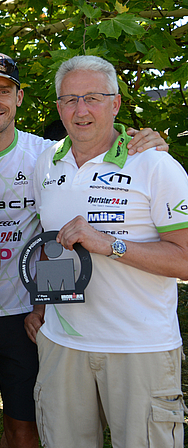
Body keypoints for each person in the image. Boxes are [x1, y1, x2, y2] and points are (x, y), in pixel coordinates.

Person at [0, 52, 170, 448]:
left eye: (3, 91)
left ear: (20, 97)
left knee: (23, 428)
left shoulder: (46, 155)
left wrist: (150, 143)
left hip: (26, 311)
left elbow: (97, 154)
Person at [30, 54, 188, 447]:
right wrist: (40, 309)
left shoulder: (154, 163)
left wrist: (109, 244)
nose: (80, 110)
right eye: (69, 100)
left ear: (115, 103)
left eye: (93, 98)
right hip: (63, 345)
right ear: (58, 108)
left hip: (139, 349)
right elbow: (49, 243)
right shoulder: (46, 164)